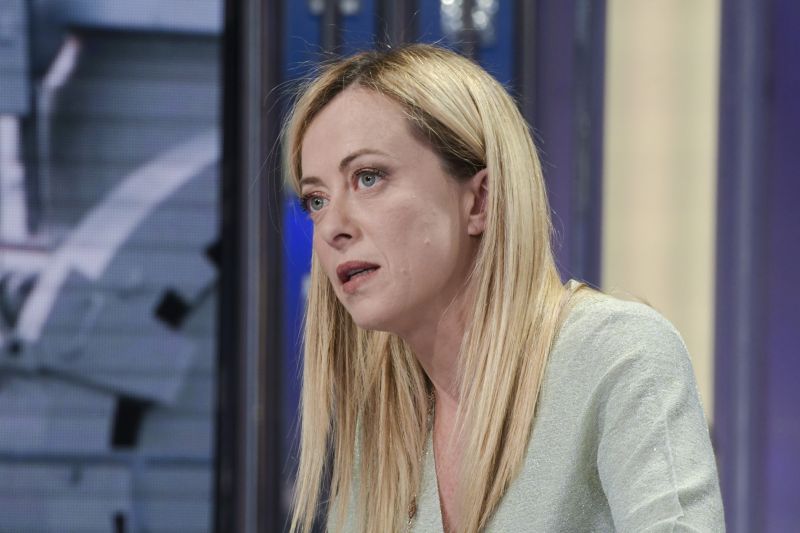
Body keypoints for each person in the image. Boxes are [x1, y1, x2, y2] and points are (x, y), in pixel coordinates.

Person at [284, 44, 724, 533]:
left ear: (480, 201)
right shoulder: (382, 426)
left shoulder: (619, 354)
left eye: (368, 178)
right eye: (316, 200)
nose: (331, 228)